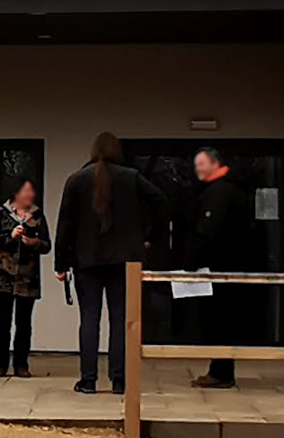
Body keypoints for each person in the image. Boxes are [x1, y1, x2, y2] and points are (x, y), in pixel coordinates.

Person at [53, 133, 167, 395]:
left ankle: (88, 380)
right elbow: (160, 200)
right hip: (124, 259)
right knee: (120, 320)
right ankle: (119, 380)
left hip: (86, 260)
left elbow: (65, 224)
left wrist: (60, 262)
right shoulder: (131, 177)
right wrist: (148, 236)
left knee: (89, 319)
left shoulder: (76, 180)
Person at [180, 145, 264, 389]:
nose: (197, 170)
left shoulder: (219, 193)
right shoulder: (233, 190)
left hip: (220, 268)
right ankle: (221, 370)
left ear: (216, 163)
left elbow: (207, 232)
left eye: (201, 164)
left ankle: (221, 372)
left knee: (218, 322)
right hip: (231, 266)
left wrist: (190, 263)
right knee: (222, 322)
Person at [0, 178, 49, 379]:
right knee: (3, 321)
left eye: (32, 192)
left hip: (27, 279)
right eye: (26, 191)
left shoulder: (37, 215)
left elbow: (46, 245)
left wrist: (33, 242)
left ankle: (21, 365)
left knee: (24, 323)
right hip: (3, 277)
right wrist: (10, 237)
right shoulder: (0, 213)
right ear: (16, 193)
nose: (30, 195)